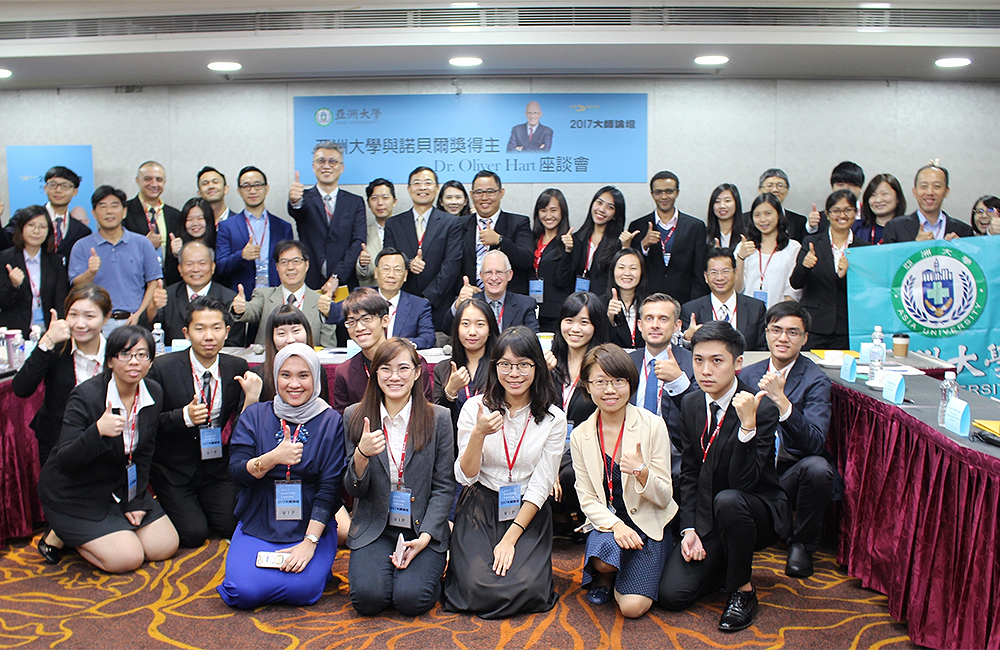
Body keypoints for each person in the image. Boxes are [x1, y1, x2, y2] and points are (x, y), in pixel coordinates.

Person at [658, 322, 789, 632]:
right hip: (708, 510)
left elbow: (746, 482)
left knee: (729, 500)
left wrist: (747, 427)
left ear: (737, 363)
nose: (706, 370)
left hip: (754, 508)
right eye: (698, 360)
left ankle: (743, 591)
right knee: (672, 596)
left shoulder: (760, 408)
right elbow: (690, 472)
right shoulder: (691, 403)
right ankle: (724, 562)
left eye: (717, 361)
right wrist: (689, 527)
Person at [36, 325, 180, 573]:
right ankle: (61, 533)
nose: (134, 362)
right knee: (128, 558)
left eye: (142, 355)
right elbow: (65, 461)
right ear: (111, 361)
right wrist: (97, 431)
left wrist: (135, 500)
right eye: (125, 354)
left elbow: (144, 453)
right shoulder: (86, 396)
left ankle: (108, 528)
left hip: (118, 484)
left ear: (151, 361)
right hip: (76, 490)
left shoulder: (152, 392)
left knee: (164, 546)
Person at [443, 326, 565, 618]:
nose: (514, 373)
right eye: (505, 365)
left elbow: (541, 485)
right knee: (476, 587)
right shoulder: (475, 408)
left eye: (523, 365)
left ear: (537, 366)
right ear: (494, 366)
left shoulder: (553, 417)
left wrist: (510, 539)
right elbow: (466, 476)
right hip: (481, 504)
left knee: (527, 588)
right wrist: (478, 435)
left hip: (527, 511)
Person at [218, 343, 346, 608]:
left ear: (315, 378)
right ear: (275, 377)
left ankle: (318, 568)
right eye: (285, 375)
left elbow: (330, 488)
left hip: (310, 523)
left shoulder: (330, 420)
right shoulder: (255, 415)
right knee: (242, 592)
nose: (294, 384)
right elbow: (236, 473)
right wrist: (271, 458)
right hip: (259, 518)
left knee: (303, 591)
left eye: (303, 375)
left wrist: (310, 543)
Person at [343, 337, 455, 616]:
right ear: (373, 372)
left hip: (421, 526)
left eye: (404, 368)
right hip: (374, 525)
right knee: (367, 601)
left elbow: (444, 487)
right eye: (386, 369)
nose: (395, 377)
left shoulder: (438, 418)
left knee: (411, 600)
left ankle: (434, 566)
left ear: (417, 373)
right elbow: (353, 490)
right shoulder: (355, 417)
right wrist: (361, 455)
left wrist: (428, 535)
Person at [572, 343, 677, 617]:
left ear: (631, 383)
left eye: (618, 381)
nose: (610, 390)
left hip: (647, 521)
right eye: (601, 382)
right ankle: (607, 574)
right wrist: (616, 526)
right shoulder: (580, 435)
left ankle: (629, 573)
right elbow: (587, 499)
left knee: (632, 608)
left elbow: (665, 495)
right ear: (587, 385)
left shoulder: (652, 425)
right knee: (605, 561)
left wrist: (642, 472)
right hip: (609, 524)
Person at [147, 296, 257, 548]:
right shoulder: (163, 368)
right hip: (175, 469)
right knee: (194, 534)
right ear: (186, 332)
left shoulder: (236, 367)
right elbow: (150, 424)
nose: (209, 336)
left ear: (227, 331)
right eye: (200, 328)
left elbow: (240, 424)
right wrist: (183, 416)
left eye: (216, 328)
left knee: (230, 525)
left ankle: (200, 505)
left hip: (217, 468)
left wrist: (250, 398)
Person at [739, 300, 835, 579]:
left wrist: (783, 403)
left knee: (818, 468)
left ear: (805, 339)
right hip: (754, 469)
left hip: (790, 471)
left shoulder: (816, 380)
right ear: (766, 333)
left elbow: (815, 442)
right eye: (776, 329)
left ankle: (802, 545)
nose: (783, 338)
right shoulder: (749, 374)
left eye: (793, 332)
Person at [14, 284, 110, 470]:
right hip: (55, 443)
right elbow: (21, 389)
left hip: (103, 444)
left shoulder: (115, 351)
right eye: (73, 315)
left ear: (106, 318)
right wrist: (47, 342)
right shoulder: (56, 347)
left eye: (89, 316)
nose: (80, 324)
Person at [544, 291, 609, 538]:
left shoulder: (603, 367)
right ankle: (557, 519)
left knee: (570, 475)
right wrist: (540, 374)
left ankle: (578, 517)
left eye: (584, 322)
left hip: (588, 450)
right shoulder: (548, 363)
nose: (575, 329)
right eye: (569, 320)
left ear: (596, 326)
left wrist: (560, 466)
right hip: (547, 448)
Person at [68, 185, 162, 333]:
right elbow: (76, 287)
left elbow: (153, 282)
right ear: (94, 213)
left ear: (124, 212)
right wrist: (90, 273)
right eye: (102, 206)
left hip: (133, 320)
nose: (109, 211)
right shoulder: (81, 246)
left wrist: (139, 314)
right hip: (96, 323)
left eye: (114, 206)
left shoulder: (142, 243)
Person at [382, 167, 463, 332]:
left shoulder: (451, 223)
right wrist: (408, 263)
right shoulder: (394, 223)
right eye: (417, 183)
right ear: (409, 189)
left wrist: (427, 299)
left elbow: (451, 265)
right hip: (403, 305)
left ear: (437, 188)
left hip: (439, 306)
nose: (422, 187)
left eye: (428, 183)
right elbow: (388, 257)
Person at [791, 190, 871, 350]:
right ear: (827, 214)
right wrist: (805, 266)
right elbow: (796, 283)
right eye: (836, 210)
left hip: (846, 327)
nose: (842, 215)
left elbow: (866, 291)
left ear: (855, 213)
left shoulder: (863, 248)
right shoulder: (811, 242)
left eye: (848, 210)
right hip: (814, 325)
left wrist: (845, 277)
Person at [332, 288, 433, 412]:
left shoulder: (413, 361)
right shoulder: (344, 372)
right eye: (351, 322)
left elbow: (426, 410)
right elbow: (343, 420)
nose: (359, 327)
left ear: (385, 320)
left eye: (366, 319)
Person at [628, 293, 694, 483]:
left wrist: (678, 381)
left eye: (663, 319)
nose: (655, 325)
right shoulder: (627, 362)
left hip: (675, 454)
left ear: (677, 326)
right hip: (630, 448)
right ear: (640, 325)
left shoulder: (692, 364)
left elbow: (700, 415)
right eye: (649, 319)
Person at [288, 141, 367, 293]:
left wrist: (337, 276)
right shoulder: (303, 199)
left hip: (345, 282)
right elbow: (297, 211)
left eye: (332, 161)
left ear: (341, 168)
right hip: (310, 281)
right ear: (313, 166)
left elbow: (358, 241)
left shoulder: (355, 202)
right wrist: (294, 201)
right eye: (321, 161)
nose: (326, 166)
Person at [230, 240, 337, 347]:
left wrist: (329, 312)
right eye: (284, 262)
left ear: (307, 265)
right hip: (270, 361)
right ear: (277, 267)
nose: (290, 267)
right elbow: (251, 310)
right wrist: (240, 309)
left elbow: (328, 348)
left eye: (296, 261)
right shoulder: (264, 296)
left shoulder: (321, 301)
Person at [627, 171, 708, 305]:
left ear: (677, 192)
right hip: (647, 299)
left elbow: (699, 271)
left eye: (669, 191)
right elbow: (631, 265)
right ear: (652, 194)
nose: (664, 196)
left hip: (684, 300)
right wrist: (643, 245)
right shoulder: (638, 226)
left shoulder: (695, 226)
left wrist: (695, 304)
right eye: (658, 192)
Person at [146, 241, 244, 347]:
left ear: (212, 267)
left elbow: (234, 343)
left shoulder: (229, 299)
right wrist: (153, 307)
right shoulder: (168, 295)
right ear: (180, 269)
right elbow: (150, 329)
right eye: (189, 264)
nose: (196, 269)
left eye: (202, 263)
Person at [215, 166, 294, 295]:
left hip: (276, 295)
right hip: (242, 296)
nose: (252, 191)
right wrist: (241, 256)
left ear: (266, 189)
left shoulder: (283, 227)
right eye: (246, 186)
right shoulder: (227, 226)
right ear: (239, 191)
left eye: (258, 185)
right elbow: (221, 267)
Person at [344, 247, 434, 350]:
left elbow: (428, 338)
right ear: (376, 273)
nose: (391, 275)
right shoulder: (362, 297)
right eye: (386, 269)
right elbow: (336, 313)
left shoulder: (419, 305)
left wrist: (403, 345)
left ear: (405, 276)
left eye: (397, 270)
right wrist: (326, 307)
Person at [461, 171, 534, 295]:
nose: (484, 198)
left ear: (501, 193)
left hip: (508, 298)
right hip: (471, 298)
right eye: (479, 192)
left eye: (490, 192)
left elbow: (526, 259)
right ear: (471, 195)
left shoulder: (518, 222)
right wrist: (464, 288)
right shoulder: (459, 225)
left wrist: (500, 240)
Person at [681, 247, 767, 352]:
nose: (720, 278)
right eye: (713, 272)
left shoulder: (756, 307)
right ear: (706, 277)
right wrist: (687, 339)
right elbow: (685, 353)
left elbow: (762, 349)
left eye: (725, 271)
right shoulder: (691, 309)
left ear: (735, 273)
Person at [0, 205, 68, 333]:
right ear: (21, 228)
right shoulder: (5, 259)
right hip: (15, 332)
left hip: (48, 331)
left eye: (42, 227)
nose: (36, 231)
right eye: (31, 225)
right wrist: (13, 285)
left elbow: (60, 302)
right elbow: (2, 303)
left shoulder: (55, 261)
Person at [434, 298, 499, 428]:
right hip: (453, 444)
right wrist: (450, 392)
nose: (472, 332)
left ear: (490, 329)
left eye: (480, 324)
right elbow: (436, 422)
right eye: (465, 324)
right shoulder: (443, 368)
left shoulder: (500, 366)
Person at [734, 193, 802, 309]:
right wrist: (740, 258)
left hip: (779, 316)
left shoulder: (793, 248)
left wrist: (782, 316)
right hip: (748, 315)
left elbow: (793, 291)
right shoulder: (744, 247)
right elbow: (737, 288)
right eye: (757, 215)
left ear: (779, 215)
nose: (762, 220)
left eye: (768, 214)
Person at [448, 251, 538, 333]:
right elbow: (447, 330)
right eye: (488, 272)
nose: (494, 278)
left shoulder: (525, 304)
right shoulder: (469, 302)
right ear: (481, 276)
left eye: (499, 272)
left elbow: (531, 338)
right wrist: (458, 305)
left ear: (509, 275)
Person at [882, 164, 975, 242]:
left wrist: (960, 250)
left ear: (946, 191)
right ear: (914, 192)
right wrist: (914, 247)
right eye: (924, 186)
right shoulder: (895, 228)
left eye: (937, 186)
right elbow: (888, 262)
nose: (930, 192)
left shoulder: (964, 231)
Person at [530, 188, 575, 332]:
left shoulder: (571, 242)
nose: (548, 216)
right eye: (543, 210)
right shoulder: (531, 238)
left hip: (555, 313)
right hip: (531, 309)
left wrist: (568, 251)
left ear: (562, 212)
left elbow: (563, 280)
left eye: (553, 210)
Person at [123, 161, 182, 267]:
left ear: (164, 182)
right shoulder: (125, 212)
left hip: (169, 279)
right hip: (139, 278)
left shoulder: (175, 214)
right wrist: (145, 245)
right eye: (147, 179)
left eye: (159, 180)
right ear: (138, 181)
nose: (154, 184)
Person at [572, 186, 626, 299]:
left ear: (616, 214)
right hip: (576, 302)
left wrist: (626, 247)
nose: (601, 209)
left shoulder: (618, 242)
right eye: (599, 203)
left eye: (610, 207)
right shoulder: (577, 238)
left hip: (603, 302)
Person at [42, 166, 92, 266]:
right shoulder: (28, 219)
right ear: (45, 188)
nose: (58, 190)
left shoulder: (83, 231)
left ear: (74, 191)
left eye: (65, 186)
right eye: (53, 185)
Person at [163, 197, 217, 287]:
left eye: (200, 218)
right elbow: (170, 280)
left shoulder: (219, 241)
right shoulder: (176, 242)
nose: (195, 223)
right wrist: (176, 256)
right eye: (189, 219)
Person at [356, 178, 396, 287]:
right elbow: (362, 274)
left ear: (394, 201)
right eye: (374, 198)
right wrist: (362, 264)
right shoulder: (362, 233)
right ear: (368, 203)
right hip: (372, 297)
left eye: (385, 198)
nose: (380, 203)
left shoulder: (407, 229)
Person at [807, 161, 865, 235]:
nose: (846, 189)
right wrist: (811, 227)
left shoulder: (870, 215)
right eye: (840, 184)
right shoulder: (820, 219)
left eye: (852, 184)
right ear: (832, 187)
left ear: (861, 188)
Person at [605, 248, 647, 349]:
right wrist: (609, 319)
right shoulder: (601, 303)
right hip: (613, 361)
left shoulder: (650, 304)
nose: (627, 273)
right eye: (621, 267)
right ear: (613, 271)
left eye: (633, 268)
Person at [753, 170, 807, 243]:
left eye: (780, 186)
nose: (775, 190)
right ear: (760, 190)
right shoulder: (744, 220)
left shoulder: (799, 221)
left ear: (787, 191)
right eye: (769, 185)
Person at [855, 173, 907, 244]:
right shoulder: (856, 228)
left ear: (898, 197)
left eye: (884, 194)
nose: (878, 200)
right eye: (873, 195)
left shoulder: (909, 229)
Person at [706, 183, 746, 249]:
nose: (722, 206)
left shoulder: (746, 234)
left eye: (727, 201)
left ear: (736, 203)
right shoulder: (704, 235)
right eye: (717, 201)